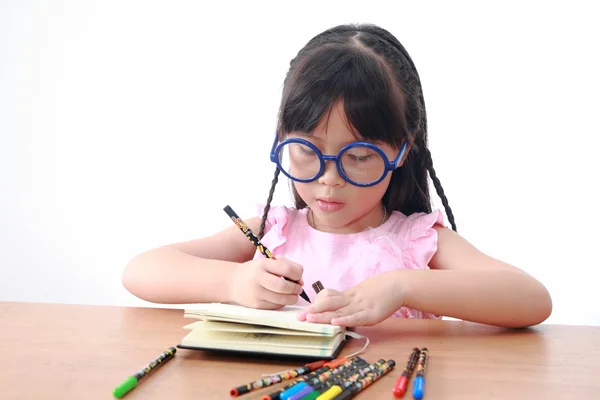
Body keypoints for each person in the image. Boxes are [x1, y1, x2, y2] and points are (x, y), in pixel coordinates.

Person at [121, 23, 552, 328]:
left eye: (359, 156)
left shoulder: (416, 241)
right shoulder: (272, 230)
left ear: (403, 149)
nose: (329, 180)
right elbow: (140, 270)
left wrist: (402, 287)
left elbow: (531, 299)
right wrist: (233, 281)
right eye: (306, 150)